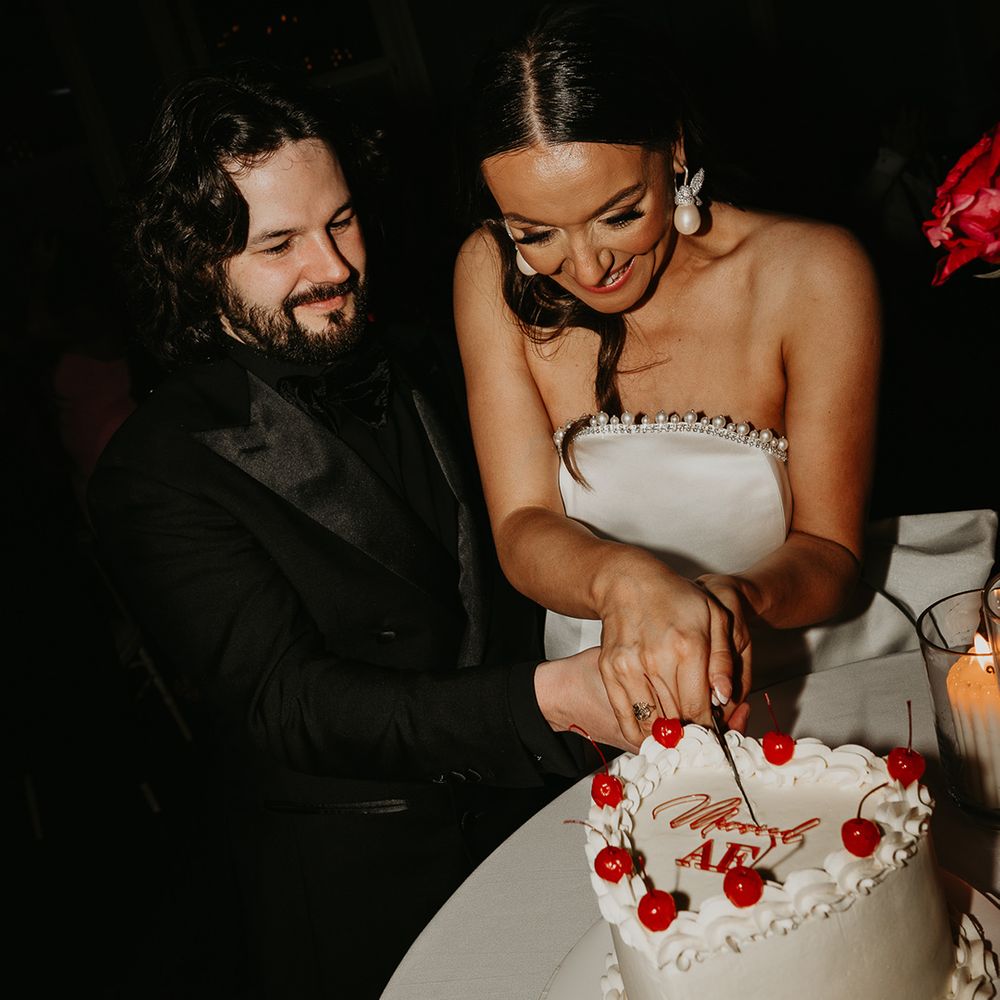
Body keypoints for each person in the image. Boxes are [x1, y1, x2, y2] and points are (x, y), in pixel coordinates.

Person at [86, 60, 627, 1000]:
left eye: (341, 221)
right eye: (279, 244)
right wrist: (544, 701)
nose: (334, 268)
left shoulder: (420, 352)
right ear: (193, 261)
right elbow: (284, 702)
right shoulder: (156, 467)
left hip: (537, 824)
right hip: (365, 886)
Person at [453, 3, 882, 748]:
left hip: (806, 687)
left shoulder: (813, 272)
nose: (588, 268)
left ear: (674, 150)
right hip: (610, 697)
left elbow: (832, 555)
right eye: (537, 233)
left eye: (619, 214)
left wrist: (730, 603)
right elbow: (521, 528)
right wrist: (622, 583)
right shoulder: (486, 272)